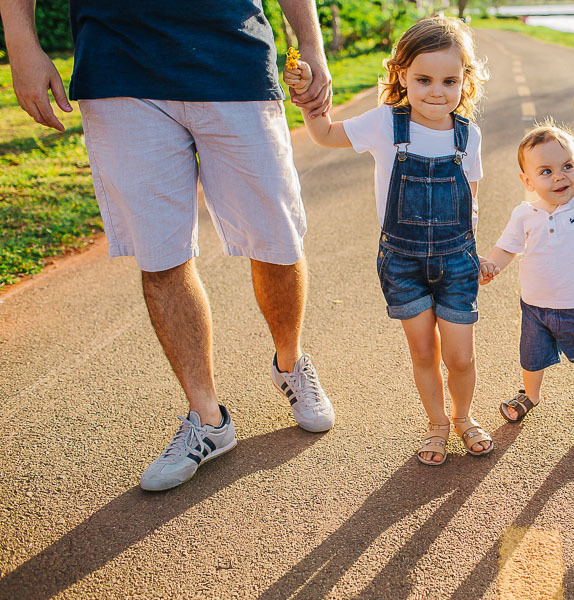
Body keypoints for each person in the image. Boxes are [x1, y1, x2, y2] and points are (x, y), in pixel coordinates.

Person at [0, 0, 337, 491]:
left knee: (277, 239)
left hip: (234, 57)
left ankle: (290, 364)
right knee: (161, 256)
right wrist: (21, 44)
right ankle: (208, 418)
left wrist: (311, 42)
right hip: (118, 68)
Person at [284, 16, 493, 465]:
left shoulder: (468, 136)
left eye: (449, 81)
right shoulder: (384, 124)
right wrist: (307, 97)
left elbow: (471, 201)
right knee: (424, 352)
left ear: (464, 80)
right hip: (402, 263)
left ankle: (464, 417)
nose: (436, 92)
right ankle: (437, 424)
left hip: (457, 261)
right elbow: (323, 134)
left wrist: (476, 254)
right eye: (423, 79)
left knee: (460, 357)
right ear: (401, 75)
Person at [478, 118, 574, 421]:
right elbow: (506, 248)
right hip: (535, 304)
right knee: (531, 356)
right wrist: (492, 266)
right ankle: (531, 394)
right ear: (528, 181)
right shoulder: (524, 214)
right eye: (546, 171)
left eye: (567, 166)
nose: (559, 177)